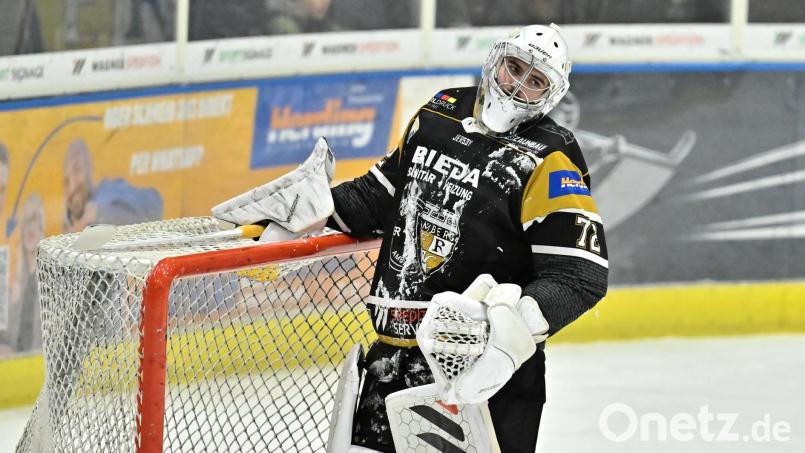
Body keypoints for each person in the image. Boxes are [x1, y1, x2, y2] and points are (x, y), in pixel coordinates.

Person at [213, 23, 608, 453]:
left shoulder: (551, 156)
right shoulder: (440, 112)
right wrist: (315, 210)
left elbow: (579, 277)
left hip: (482, 378)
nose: (517, 85)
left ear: (551, 94)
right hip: (393, 363)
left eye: (535, 81)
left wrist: (509, 338)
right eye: (514, 68)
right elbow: (379, 197)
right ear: (496, 60)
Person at [62, 138, 163, 233]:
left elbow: (155, 207)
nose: (73, 185)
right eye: (67, 181)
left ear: (90, 169)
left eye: (77, 170)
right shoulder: (70, 225)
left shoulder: (111, 190)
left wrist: (100, 214)